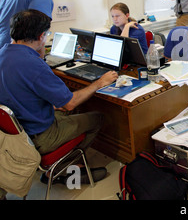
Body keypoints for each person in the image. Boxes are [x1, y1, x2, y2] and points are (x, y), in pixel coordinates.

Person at [0, 10, 118, 199]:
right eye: (46, 35)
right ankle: (60, 170)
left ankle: (67, 166)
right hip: (39, 136)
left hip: (17, 133)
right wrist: (99, 83)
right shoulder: (33, 65)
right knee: (96, 118)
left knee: (67, 111)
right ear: (40, 36)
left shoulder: (3, 53)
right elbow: (69, 103)